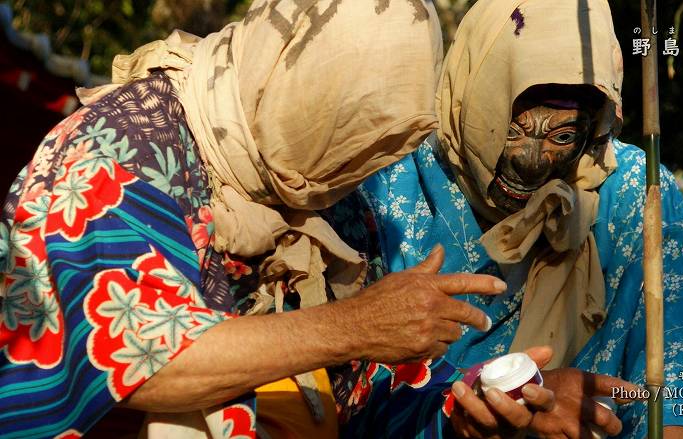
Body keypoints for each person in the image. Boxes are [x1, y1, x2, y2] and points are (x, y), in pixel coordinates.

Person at [0, 1, 508, 437]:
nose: (349, 167)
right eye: (343, 122)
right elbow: (144, 358)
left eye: (377, 148)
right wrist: (355, 325)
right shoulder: (124, 147)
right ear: (288, 69)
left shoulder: (320, 205)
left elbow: (355, 404)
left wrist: (460, 412)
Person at [325, 0, 683, 437]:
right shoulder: (381, 185)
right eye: (511, 129)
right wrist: (464, 412)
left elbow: (682, 389)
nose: (532, 163)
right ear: (470, 99)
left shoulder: (639, 194)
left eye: (563, 136)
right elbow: (341, 390)